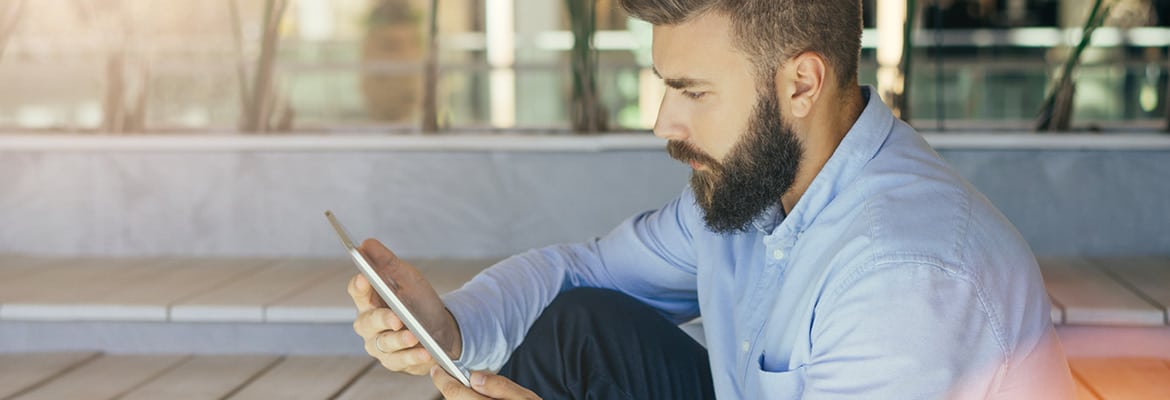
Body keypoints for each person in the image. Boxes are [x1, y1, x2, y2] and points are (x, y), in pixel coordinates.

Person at [347, 0, 1075, 398]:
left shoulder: (907, 279)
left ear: (800, 84)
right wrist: (450, 329)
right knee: (580, 325)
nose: (664, 123)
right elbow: (583, 273)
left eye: (691, 92)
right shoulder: (750, 194)